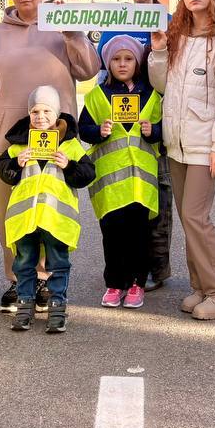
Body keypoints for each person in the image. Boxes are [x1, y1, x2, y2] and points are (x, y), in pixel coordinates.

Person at [0, 0, 100, 314]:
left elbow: (89, 69)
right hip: (10, 143)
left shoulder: (62, 28)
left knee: (50, 211)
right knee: (10, 214)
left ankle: (45, 280)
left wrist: (74, 34)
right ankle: (18, 280)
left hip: (55, 143)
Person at [148, 0, 215, 321]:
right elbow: (162, 86)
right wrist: (158, 51)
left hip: (205, 145)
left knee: (195, 216)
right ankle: (201, 286)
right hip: (178, 142)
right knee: (189, 219)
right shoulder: (179, 34)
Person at [96, 0, 175, 291]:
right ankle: (125, 270)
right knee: (126, 199)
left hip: (158, 118)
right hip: (122, 127)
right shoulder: (116, 21)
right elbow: (101, 71)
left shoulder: (170, 22)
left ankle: (158, 268)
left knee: (159, 194)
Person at [0, 86, 95, 333]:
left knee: (58, 263)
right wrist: (16, 164)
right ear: (29, 114)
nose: (40, 116)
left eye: (47, 110)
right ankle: (25, 306)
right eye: (35, 111)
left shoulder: (69, 145)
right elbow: (2, 170)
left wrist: (69, 165)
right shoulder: (19, 145)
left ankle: (58, 306)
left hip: (56, 220)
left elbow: (87, 174)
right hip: (25, 219)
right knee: (24, 263)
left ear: (57, 113)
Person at [79, 35, 163, 309]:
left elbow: (163, 133)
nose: (122, 64)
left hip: (140, 183)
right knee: (113, 236)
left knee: (140, 235)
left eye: (128, 59)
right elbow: (84, 130)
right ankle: (115, 284)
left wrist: (153, 132)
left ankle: (137, 283)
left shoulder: (151, 96)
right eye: (116, 59)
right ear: (108, 63)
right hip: (111, 184)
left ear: (138, 62)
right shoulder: (97, 95)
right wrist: (98, 132)